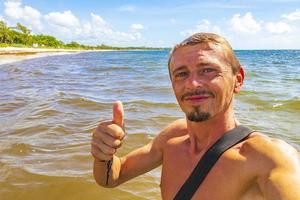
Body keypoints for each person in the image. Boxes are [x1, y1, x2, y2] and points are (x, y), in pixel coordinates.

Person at [91, 33, 300, 199]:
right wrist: (103, 155)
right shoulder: (172, 137)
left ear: (238, 80)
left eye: (207, 70)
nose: (192, 84)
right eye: (181, 74)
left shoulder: (269, 159)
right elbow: (112, 178)